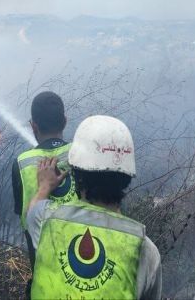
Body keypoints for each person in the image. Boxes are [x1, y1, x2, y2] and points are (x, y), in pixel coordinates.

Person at [26, 115, 162, 299]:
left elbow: (32, 211)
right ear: (127, 178)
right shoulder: (146, 250)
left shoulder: (46, 219)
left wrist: (44, 187)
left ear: (76, 174)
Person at [12, 91, 78, 266]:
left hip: (43, 267)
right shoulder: (81, 154)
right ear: (64, 121)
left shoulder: (21, 164)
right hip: (83, 258)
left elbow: (24, 217)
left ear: (33, 126)